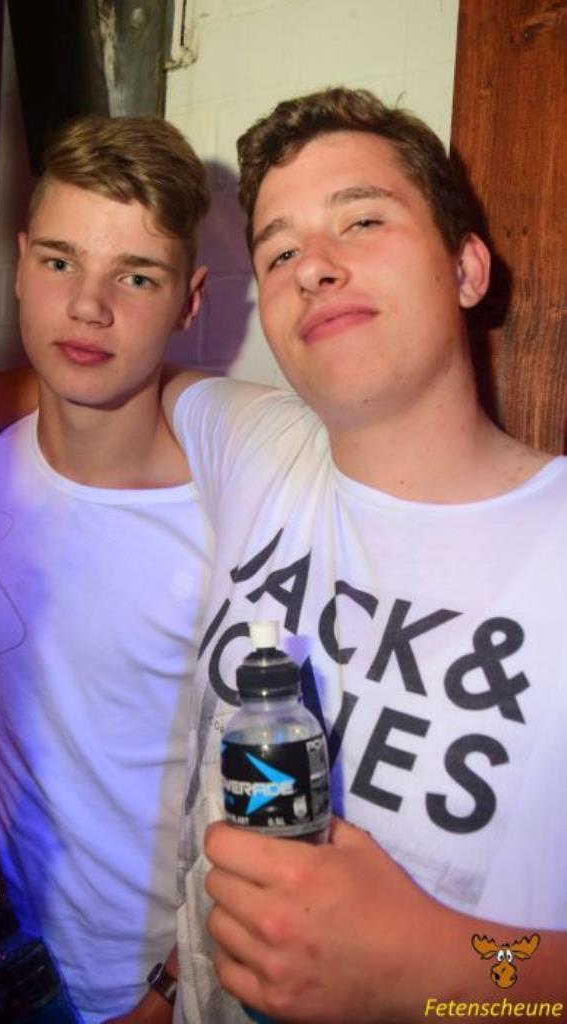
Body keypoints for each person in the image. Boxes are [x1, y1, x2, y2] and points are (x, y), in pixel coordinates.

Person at [160, 87, 567, 1021]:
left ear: (466, 269)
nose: (312, 267)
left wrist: (439, 971)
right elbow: (93, 380)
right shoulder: (258, 446)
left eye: (363, 220)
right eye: (279, 251)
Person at [0, 114, 212, 1023]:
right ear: (20, 264)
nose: (88, 307)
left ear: (189, 301)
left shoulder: (233, 524)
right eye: (60, 261)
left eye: (135, 276)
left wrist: (170, 992)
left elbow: (285, 797)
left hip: (164, 989)